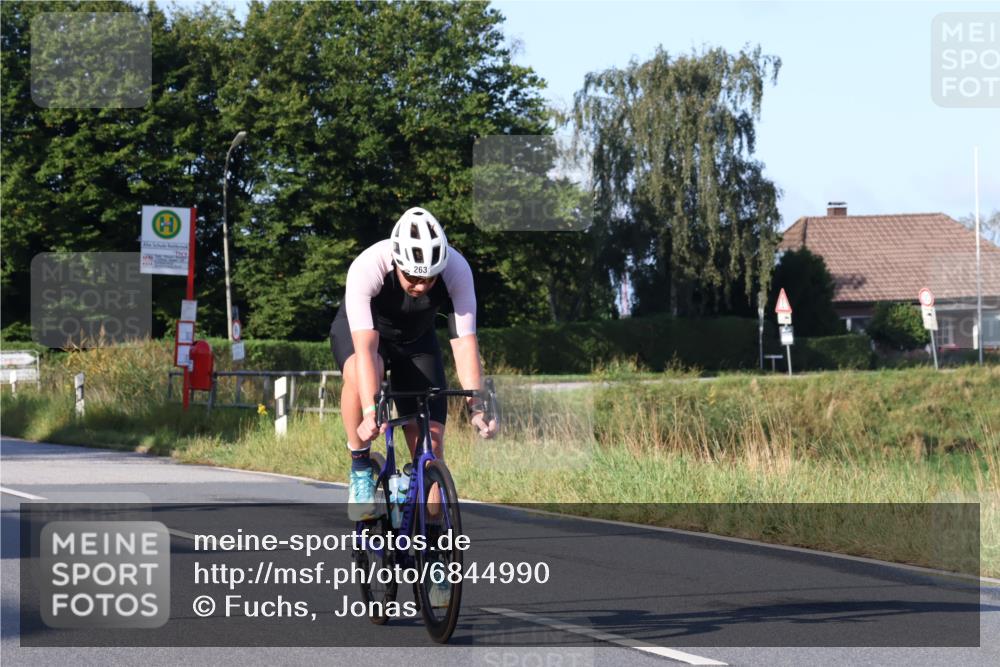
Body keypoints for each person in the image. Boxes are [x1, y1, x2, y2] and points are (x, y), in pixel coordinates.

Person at [330, 206, 498, 522]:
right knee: (367, 369)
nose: (421, 286)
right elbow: (365, 350)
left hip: (417, 343)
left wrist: (477, 406)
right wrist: (370, 412)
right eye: (412, 277)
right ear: (396, 264)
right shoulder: (368, 266)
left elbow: (464, 342)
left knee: (430, 446)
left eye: (429, 279)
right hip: (366, 336)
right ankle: (361, 466)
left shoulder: (457, 269)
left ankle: (432, 547)